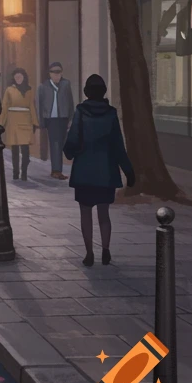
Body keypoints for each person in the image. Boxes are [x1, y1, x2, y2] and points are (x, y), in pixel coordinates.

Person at [64, 75, 135, 267]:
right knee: (104, 214)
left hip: (84, 172)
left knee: (85, 213)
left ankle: (89, 253)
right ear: (103, 92)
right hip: (106, 171)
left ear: (87, 92)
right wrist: (128, 171)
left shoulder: (81, 111)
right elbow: (118, 146)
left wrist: (69, 152)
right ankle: (106, 250)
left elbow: (73, 138)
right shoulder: (111, 114)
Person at [38, 62, 75, 180]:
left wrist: (70, 118)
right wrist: (41, 121)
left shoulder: (66, 84)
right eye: (54, 73)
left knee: (62, 143)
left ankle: (58, 169)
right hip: (51, 119)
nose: (56, 76)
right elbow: (40, 104)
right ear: (50, 74)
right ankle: (56, 170)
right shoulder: (43, 86)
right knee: (55, 144)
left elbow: (70, 102)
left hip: (63, 118)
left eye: (58, 73)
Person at [2, 67, 39, 182]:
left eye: (20, 76)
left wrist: (34, 122)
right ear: (13, 78)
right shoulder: (9, 90)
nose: (18, 79)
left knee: (25, 150)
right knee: (15, 149)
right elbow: (5, 106)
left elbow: (32, 106)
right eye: (16, 77)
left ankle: (24, 172)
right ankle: (15, 173)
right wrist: (1, 123)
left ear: (24, 78)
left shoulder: (29, 90)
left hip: (26, 121)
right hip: (13, 121)